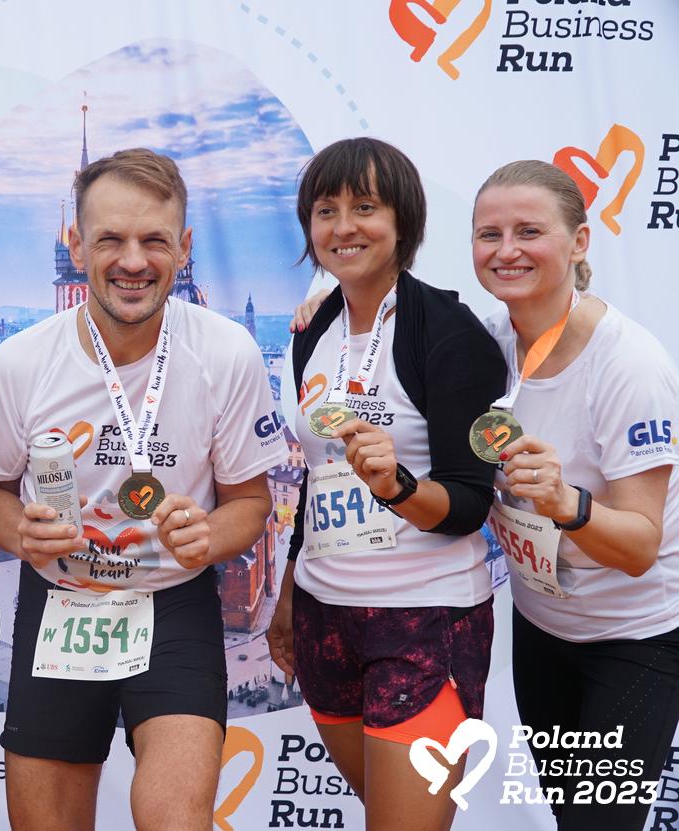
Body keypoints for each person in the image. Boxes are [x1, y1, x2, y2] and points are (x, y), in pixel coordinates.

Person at [0, 147, 287, 831]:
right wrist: (18, 533)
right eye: (111, 239)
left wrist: (209, 535)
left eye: (154, 240)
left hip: (173, 602)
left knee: (174, 819)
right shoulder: (23, 360)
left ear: (185, 247)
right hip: (61, 602)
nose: (133, 261)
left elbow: (250, 503)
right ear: (78, 247)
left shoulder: (226, 351)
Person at [265, 137, 506, 831]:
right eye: (326, 210)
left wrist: (397, 485)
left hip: (423, 619)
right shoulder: (314, 329)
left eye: (365, 207)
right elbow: (318, 478)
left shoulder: (449, 334)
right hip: (324, 616)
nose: (344, 227)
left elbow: (469, 503)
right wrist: (289, 590)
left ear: (404, 221)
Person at [471, 160, 679, 830]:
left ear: (580, 241)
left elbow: (641, 546)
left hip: (633, 637)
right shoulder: (487, 344)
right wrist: (326, 308)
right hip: (542, 628)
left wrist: (568, 503)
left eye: (529, 231)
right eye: (489, 234)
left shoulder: (629, 365)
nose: (507, 250)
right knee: (572, 818)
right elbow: (395, 327)